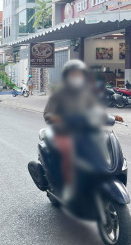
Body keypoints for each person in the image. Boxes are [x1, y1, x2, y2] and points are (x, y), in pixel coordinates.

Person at [43, 60, 102, 201]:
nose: (77, 77)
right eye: (73, 74)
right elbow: (48, 114)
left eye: (79, 74)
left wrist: (107, 116)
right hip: (63, 132)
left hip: (84, 132)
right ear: (67, 76)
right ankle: (68, 185)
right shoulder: (58, 94)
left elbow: (96, 110)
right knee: (68, 151)